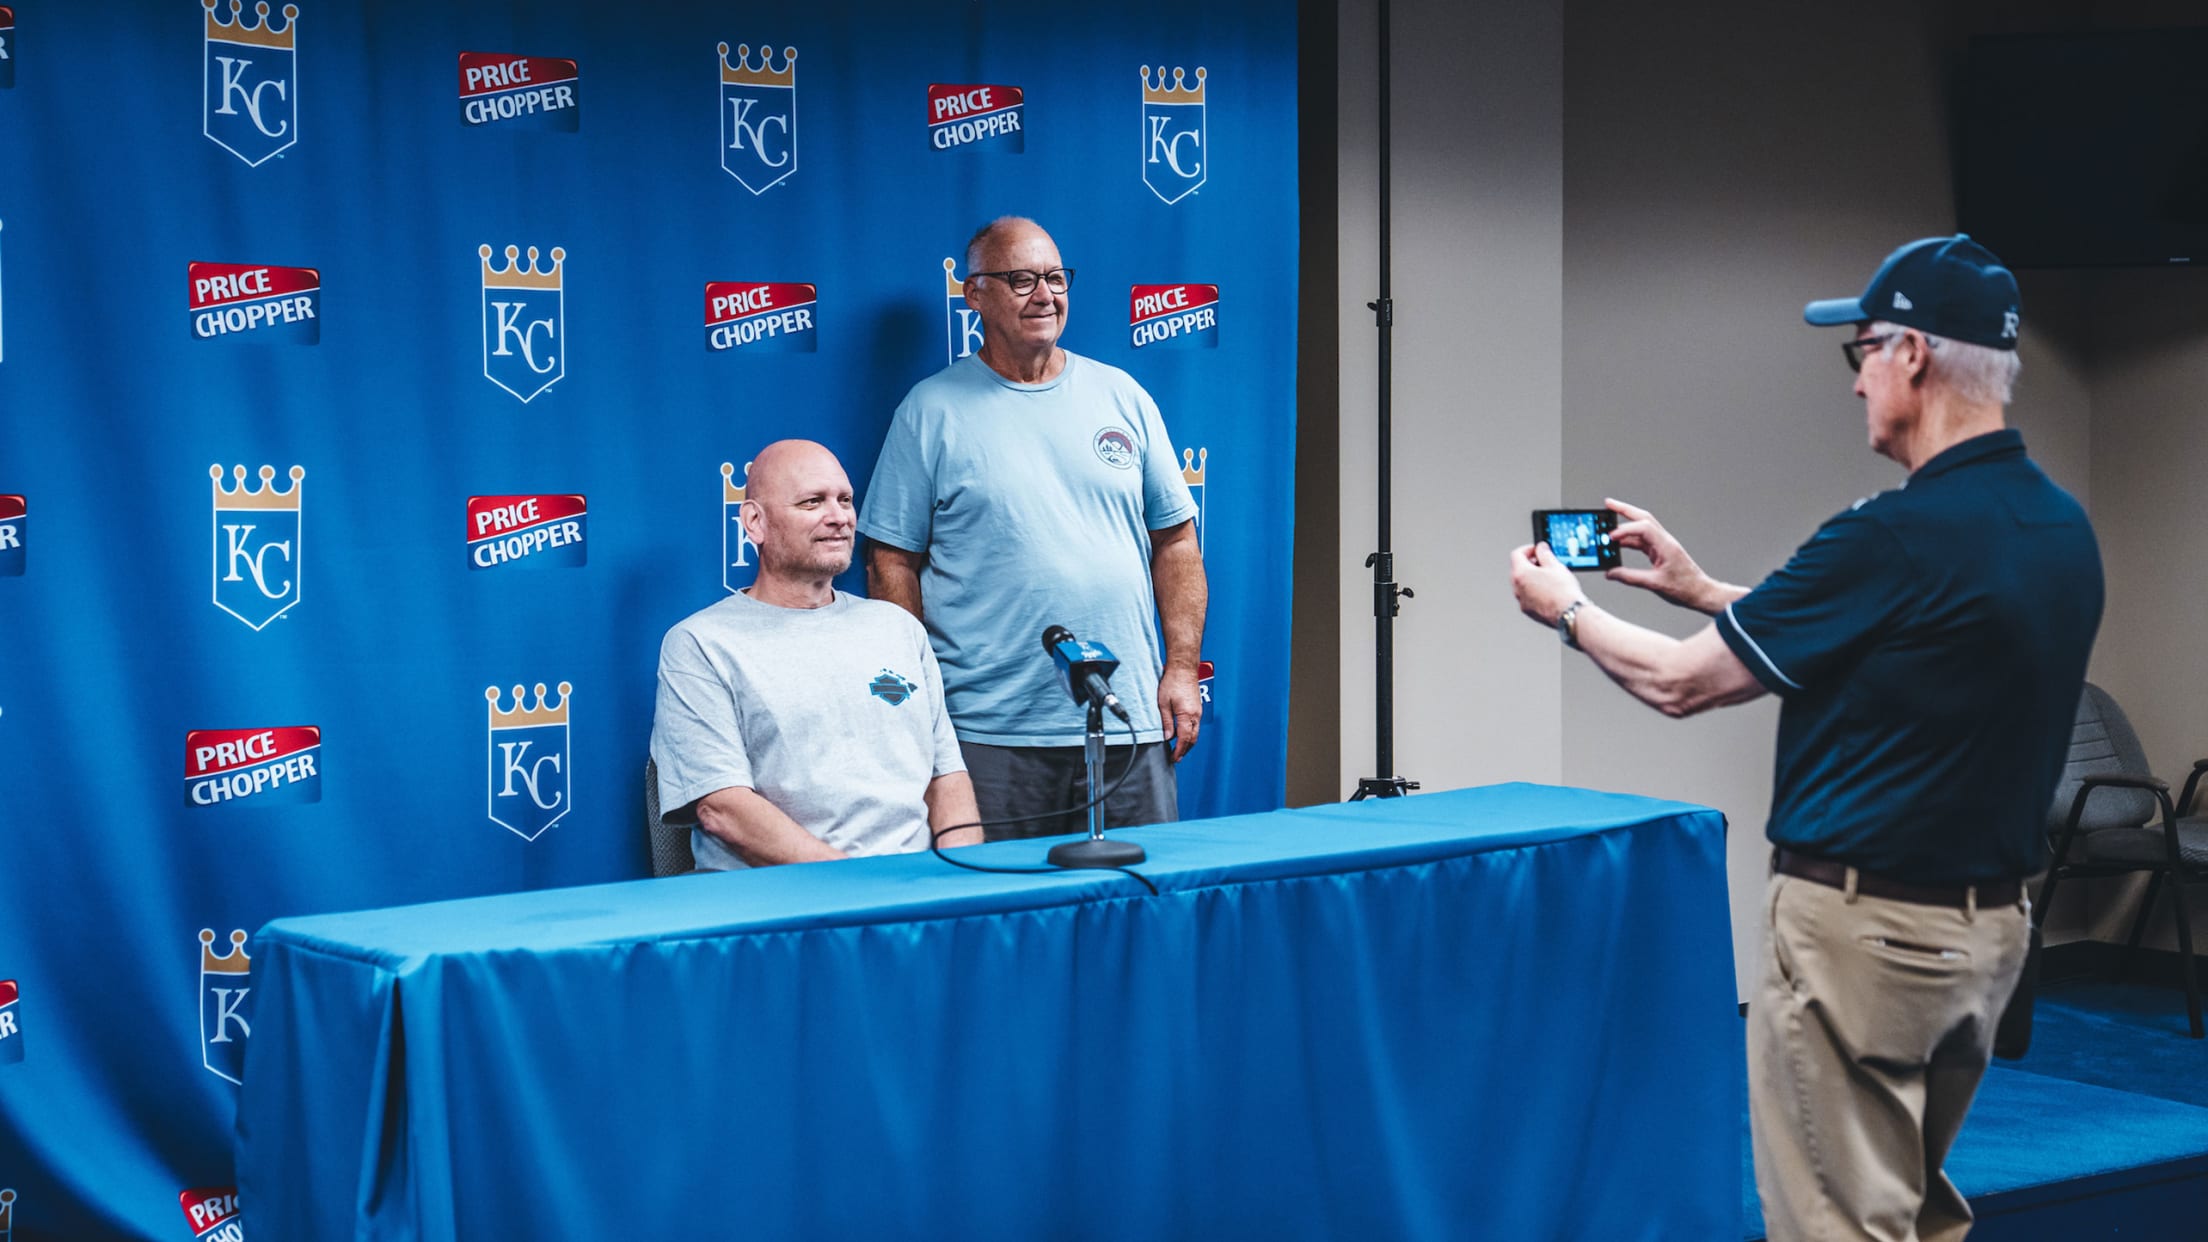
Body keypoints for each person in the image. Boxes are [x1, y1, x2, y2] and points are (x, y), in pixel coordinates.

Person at [1508, 234, 2102, 1241]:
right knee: (1916, 1211)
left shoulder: (1891, 536)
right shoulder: (2057, 530)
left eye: (1861, 351)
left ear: (1911, 354)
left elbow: (1683, 683)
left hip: (1863, 944)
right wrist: (1701, 590)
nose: (1855, 382)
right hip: (1989, 938)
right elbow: (1911, 639)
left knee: (1839, 1225)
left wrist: (1566, 610)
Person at [861, 216, 1207, 840]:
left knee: (1139, 910)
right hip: (988, 731)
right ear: (974, 295)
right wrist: (922, 699)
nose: (1045, 295)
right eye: (1021, 280)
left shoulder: (1122, 395)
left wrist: (1181, 668)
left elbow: (1177, 541)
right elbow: (890, 560)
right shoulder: (929, 411)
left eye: (1055, 277)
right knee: (1000, 915)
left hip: (1125, 717)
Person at [651, 439, 980, 870]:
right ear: (755, 522)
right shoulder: (700, 643)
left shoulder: (898, 628)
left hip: (915, 896)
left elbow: (947, 778)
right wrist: (859, 887)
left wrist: (966, 878)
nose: (839, 517)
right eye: (812, 503)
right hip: (782, 909)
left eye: (845, 500)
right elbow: (723, 808)